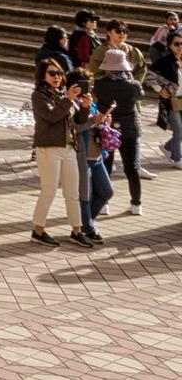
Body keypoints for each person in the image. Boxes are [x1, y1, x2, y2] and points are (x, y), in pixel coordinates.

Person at [29, 55, 89, 247]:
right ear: (43, 75)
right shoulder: (39, 96)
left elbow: (78, 121)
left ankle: (77, 230)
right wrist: (69, 99)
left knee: (72, 192)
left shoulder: (62, 94)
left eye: (59, 74)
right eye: (52, 73)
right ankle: (38, 230)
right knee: (49, 191)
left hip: (69, 147)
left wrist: (84, 107)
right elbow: (52, 116)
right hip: (49, 148)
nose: (57, 77)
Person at [93, 48, 144, 215]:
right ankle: (136, 204)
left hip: (107, 129)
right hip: (129, 129)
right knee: (132, 168)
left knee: (106, 166)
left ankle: (103, 204)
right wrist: (131, 78)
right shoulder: (132, 85)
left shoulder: (99, 85)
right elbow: (141, 95)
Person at [68, 73, 114, 242]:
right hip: (82, 156)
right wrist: (92, 120)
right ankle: (87, 229)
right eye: (84, 85)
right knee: (84, 195)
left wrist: (104, 121)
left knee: (106, 192)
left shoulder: (92, 104)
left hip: (97, 156)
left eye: (90, 86)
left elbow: (95, 124)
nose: (88, 90)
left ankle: (86, 224)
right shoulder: (71, 104)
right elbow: (73, 129)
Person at [147, 33, 182, 166]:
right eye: (177, 44)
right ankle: (176, 158)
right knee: (178, 130)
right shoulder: (165, 61)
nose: (180, 47)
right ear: (169, 46)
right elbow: (150, 75)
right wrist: (160, 90)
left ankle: (167, 147)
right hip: (171, 101)